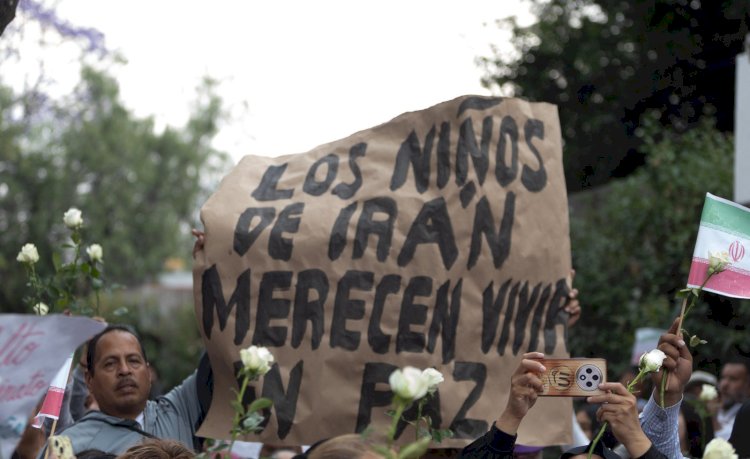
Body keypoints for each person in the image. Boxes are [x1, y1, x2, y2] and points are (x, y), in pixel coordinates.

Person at [38, 325, 212, 457]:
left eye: (133, 361)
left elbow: (221, 351)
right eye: (110, 364)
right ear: (89, 380)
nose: (124, 370)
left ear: (148, 372)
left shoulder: (181, 410)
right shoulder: (69, 446)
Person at [713, 357, 750, 440]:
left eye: (733, 379)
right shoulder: (716, 408)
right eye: (723, 377)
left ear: (748, 386)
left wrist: (713, 419)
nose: (724, 384)